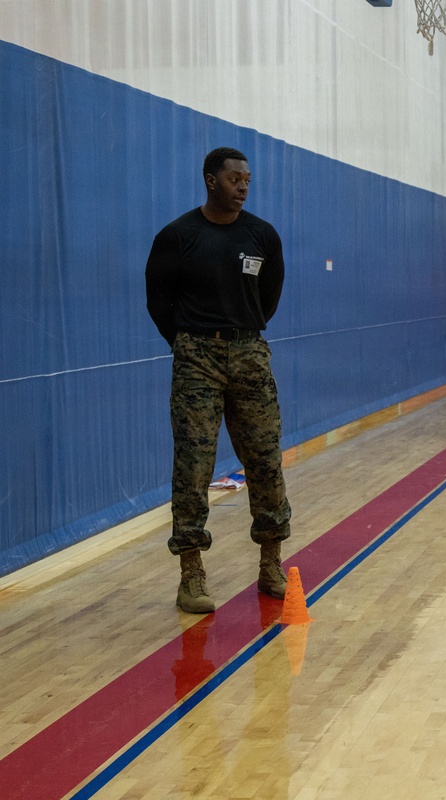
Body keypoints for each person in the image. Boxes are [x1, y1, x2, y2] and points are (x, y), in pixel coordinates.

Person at [146, 146, 292, 614]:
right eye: (234, 179)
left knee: (265, 461)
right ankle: (191, 575)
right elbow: (158, 300)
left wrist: (239, 332)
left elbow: (268, 299)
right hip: (196, 359)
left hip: (250, 355)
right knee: (193, 466)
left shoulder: (262, 236)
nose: (243, 186)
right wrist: (188, 343)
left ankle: (271, 564)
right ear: (211, 181)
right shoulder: (178, 236)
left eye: (247, 179)